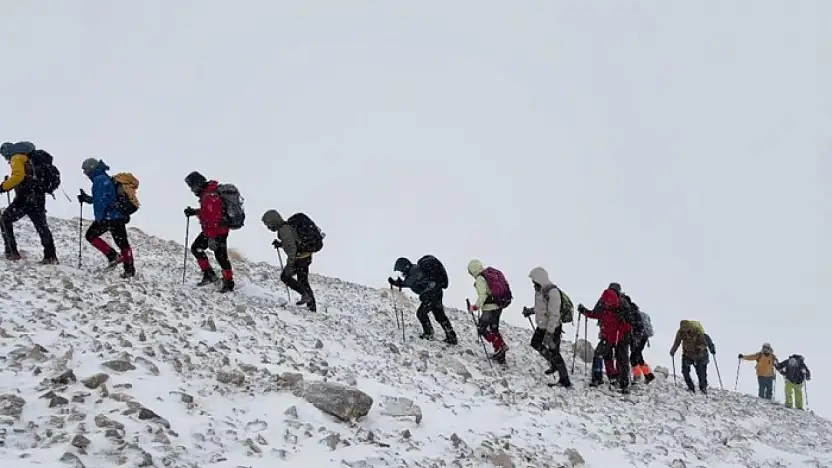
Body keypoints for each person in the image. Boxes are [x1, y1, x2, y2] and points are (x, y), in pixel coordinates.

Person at [0, 141, 57, 264]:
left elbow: (18, 176)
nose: (5, 158)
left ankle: (11, 252)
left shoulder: (16, 158)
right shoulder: (29, 158)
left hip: (25, 197)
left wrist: (3, 187)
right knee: (42, 226)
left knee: (5, 219)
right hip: (38, 197)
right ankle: (50, 256)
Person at [77, 159, 135, 278]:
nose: (85, 173)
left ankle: (113, 256)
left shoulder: (99, 179)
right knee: (122, 242)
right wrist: (87, 199)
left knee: (91, 236)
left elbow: (101, 201)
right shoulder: (104, 177)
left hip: (109, 217)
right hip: (117, 216)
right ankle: (129, 269)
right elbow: (105, 197)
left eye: (86, 169)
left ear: (91, 168)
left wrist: (99, 219)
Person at [388, 256, 457, 344]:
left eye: (401, 270)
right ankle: (451, 336)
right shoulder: (414, 271)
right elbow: (410, 282)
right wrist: (399, 283)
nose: (401, 273)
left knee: (421, 313)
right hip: (435, 292)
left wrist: (396, 283)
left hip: (431, 294)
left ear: (405, 266)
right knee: (439, 315)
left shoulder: (414, 270)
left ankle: (429, 333)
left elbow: (409, 282)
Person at [184, 171, 234, 293]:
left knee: (220, 256)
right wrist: (195, 212)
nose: (192, 190)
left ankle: (228, 282)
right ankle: (211, 275)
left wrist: (211, 238)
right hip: (215, 230)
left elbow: (212, 219)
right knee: (199, 249)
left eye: (192, 187)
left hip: (217, 231)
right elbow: (207, 213)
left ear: (198, 184)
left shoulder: (210, 196)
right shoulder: (208, 193)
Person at [578, 282, 633, 393]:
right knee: (622, 359)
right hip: (621, 336)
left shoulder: (603, 300)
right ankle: (623, 384)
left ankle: (599, 378)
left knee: (601, 355)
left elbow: (594, 314)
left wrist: (584, 311)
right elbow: (629, 322)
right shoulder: (624, 303)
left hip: (606, 335)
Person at [262, 210, 319, 312]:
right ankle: (312, 306)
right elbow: (294, 242)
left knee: (285, 277)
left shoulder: (284, 230)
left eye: (268, 225)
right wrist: (281, 244)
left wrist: (290, 266)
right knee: (303, 280)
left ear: (273, 222)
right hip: (305, 256)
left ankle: (306, 297)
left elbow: (292, 251)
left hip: (299, 259)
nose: (268, 228)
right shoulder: (287, 227)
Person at [523, 266, 570, 387]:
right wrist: (530, 311)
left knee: (554, 351)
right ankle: (553, 363)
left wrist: (549, 333)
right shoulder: (540, 291)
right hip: (543, 326)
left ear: (540, 279)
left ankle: (565, 380)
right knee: (535, 343)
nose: (533, 284)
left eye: (534, 282)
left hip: (553, 328)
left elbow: (554, 315)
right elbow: (541, 309)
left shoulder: (552, 292)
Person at [467, 259, 508, 364]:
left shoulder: (480, 279)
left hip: (489, 308)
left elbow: (482, 295)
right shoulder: (489, 275)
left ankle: (501, 346)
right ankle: (500, 355)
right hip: (499, 305)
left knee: (482, 328)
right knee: (494, 329)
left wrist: (475, 307)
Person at [669, 320, 710, 393]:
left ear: (689, 327)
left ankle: (703, 388)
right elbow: (677, 342)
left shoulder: (697, 332)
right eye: (683, 329)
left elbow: (704, 343)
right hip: (687, 354)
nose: (685, 331)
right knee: (685, 371)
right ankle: (691, 388)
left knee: (701, 373)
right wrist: (673, 351)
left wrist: (699, 348)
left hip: (700, 355)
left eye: (686, 329)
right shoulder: (680, 332)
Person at [629, 308, 656, 384]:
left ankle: (637, 376)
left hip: (637, 337)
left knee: (633, 357)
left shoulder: (632, 316)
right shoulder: (640, 316)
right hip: (644, 337)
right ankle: (648, 375)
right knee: (638, 355)